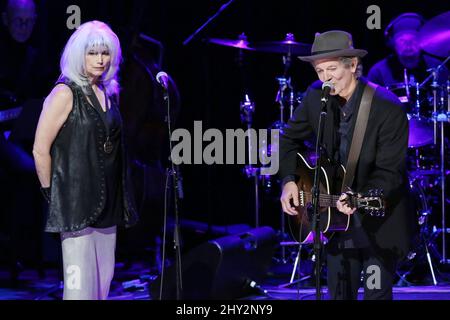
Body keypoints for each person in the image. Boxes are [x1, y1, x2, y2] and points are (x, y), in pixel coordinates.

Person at [279, 30, 412, 300]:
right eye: (319, 70)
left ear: (352, 66)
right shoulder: (316, 97)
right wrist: (289, 181)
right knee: (339, 295)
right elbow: (287, 140)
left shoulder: (387, 107)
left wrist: (359, 196)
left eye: (332, 69)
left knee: (375, 294)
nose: (325, 77)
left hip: (378, 222)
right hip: (336, 224)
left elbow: (390, 172)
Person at [33, 20, 138, 300]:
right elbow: (40, 149)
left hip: (107, 205)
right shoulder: (65, 93)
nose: (100, 59)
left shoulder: (108, 91)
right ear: (79, 55)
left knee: (101, 288)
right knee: (79, 289)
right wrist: (52, 195)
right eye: (93, 53)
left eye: (105, 52)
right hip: (76, 207)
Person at [367, 13, 448, 88]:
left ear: (423, 42)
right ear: (392, 43)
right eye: (402, 41)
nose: (408, 45)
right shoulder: (378, 72)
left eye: (413, 40)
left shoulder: (437, 67)